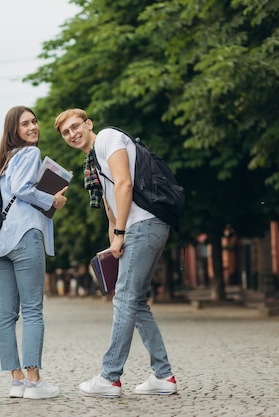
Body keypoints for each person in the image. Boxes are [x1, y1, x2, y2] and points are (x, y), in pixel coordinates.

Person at [54, 108, 177, 397]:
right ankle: (163, 375)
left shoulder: (107, 138)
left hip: (143, 224)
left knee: (124, 298)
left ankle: (110, 377)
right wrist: (113, 240)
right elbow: (111, 207)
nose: (72, 134)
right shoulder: (94, 158)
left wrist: (121, 233)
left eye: (76, 127)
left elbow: (124, 183)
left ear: (89, 124)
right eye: (66, 132)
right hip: (141, 226)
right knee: (136, 301)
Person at [0, 105, 67, 400]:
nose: (33, 127)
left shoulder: (5, 160)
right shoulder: (30, 154)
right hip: (25, 236)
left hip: (3, 243)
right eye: (25, 124)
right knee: (32, 310)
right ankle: (34, 381)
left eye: (34, 122)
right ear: (14, 131)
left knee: (6, 314)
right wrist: (53, 199)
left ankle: (16, 380)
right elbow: (23, 189)